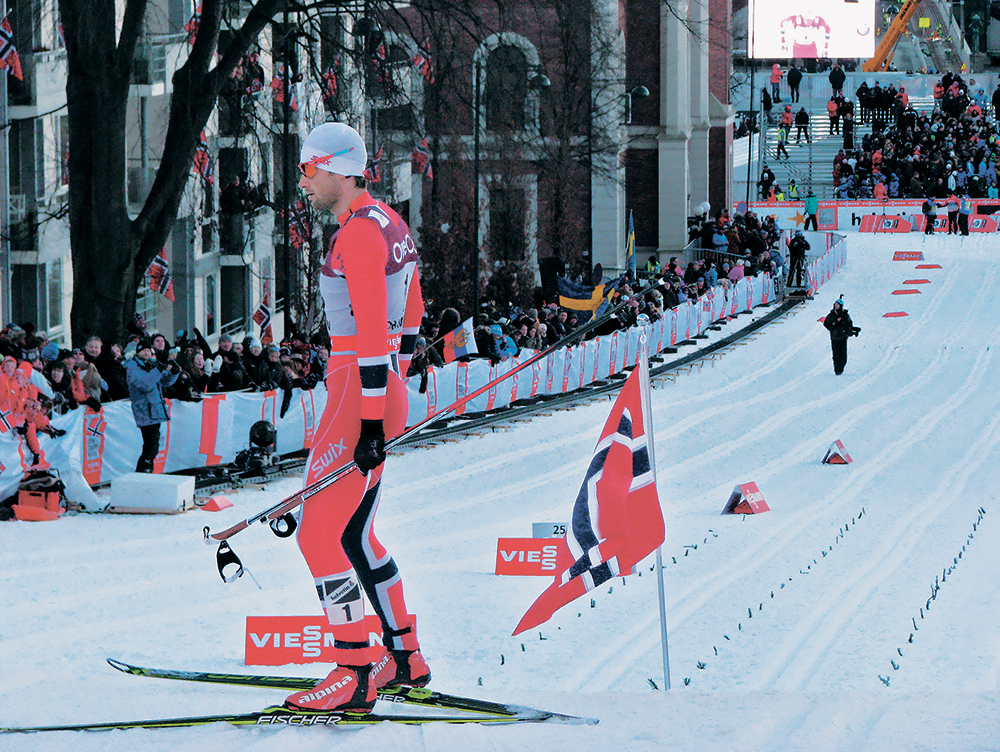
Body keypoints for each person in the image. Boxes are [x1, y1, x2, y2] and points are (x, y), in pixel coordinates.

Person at [286, 122, 429, 714]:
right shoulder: (386, 223)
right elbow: (413, 310)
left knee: (318, 533)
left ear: (342, 169)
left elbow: (371, 335)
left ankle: (354, 667)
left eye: (309, 168)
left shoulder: (360, 237)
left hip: (357, 389)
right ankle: (405, 656)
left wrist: (370, 423)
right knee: (355, 533)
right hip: (376, 385)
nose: (304, 180)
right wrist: (402, 377)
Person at [125, 340, 179, 473]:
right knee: (150, 445)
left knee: (152, 446)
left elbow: (165, 382)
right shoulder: (133, 367)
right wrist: (158, 370)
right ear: (137, 352)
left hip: (154, 409)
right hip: (144, 410)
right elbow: (145, 385)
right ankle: (143, 472)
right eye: (143, 350)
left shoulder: (152, 366)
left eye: (148, 350)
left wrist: (174, 372)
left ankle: (146, 472)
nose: (147, 352)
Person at [823, 297, 859, 375]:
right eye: (835, 304)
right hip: (835, 338)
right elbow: (826, 323)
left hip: (843, 338)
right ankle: (837, 370)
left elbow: (849, 324)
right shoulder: (831, 315)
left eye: (837, 305)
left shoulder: (845, 315)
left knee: (843, 356)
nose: (836, 306)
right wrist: (833, 329)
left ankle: (841, 368)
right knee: (836, 355)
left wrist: (850, 331)